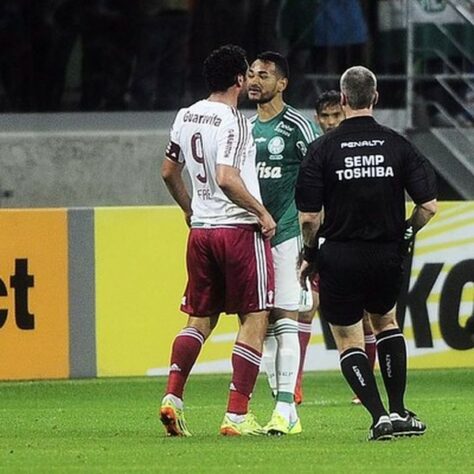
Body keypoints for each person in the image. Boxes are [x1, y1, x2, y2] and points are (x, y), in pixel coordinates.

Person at [295, 66, 437, 441]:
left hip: (340, 255)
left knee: (348, 339)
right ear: (375, 98)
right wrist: (406, 232)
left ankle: (379, 418)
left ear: (342, 101)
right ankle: (399, 410)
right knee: (386, 324)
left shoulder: (321, 149)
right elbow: (429, 206)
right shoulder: (397, 144)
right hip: (386, 255)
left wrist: (310, 253)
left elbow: (309, 217)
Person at [160, 44, 276, 437]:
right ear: (240, 80)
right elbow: (227, 177)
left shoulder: (185, 115)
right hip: (238, 230)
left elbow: (167, 171)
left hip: (202, 232)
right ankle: (237, 416)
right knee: (255, 317)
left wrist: (188, 208)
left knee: (200, 318)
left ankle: (172, 397)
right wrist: (261, 212)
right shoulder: (235, 121)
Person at [247, 51, 319, 435]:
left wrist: (315, 242)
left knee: (286, 318)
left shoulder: (298, 127)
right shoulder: (244, 127)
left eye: (264, 75)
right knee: (261, 321)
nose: (255, 81)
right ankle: (283, 408)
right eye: (251, 74)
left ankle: (285, 406)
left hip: (288, 235)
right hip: (250, 239)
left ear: (282, 83)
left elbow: (321, 181)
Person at [296, 90, 377, 406]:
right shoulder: (316, 152)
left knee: (368, 315)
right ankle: (295, 385)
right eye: (325, 117)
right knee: (307, 307)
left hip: (355, 242)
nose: (330, 123)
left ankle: (363, 386)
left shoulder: (358, 150)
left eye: (335, 116)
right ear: (317, 119)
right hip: (322, 242)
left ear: (345, 112)